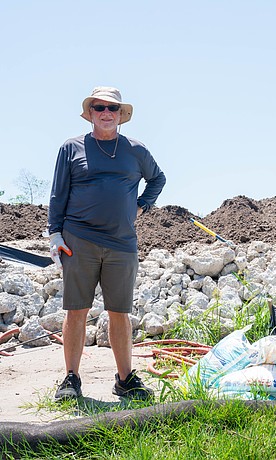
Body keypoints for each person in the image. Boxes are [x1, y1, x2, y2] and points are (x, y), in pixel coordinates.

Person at [48, 87, 166, 401]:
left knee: (119, 312)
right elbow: (58, 194)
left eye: (112, 108)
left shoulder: (136, 151)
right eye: (99, 107)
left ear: (120, 115)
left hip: (122, 243)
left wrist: (142, 205)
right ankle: (71, 379)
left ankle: (125, 379)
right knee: (76, 311)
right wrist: (54, 234)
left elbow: (158, 178)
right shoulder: (71, 149)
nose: (105, 113)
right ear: (91, 113)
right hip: (79, 239)